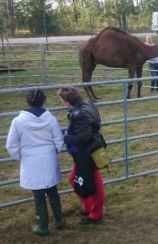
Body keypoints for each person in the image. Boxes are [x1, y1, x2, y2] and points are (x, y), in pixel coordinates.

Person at [6, 89, 64, 236]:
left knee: (38, 194)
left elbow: (11, 145)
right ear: (43, 101)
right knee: (52, 190)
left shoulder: (18, 121)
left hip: (30, 160)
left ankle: (43, 226)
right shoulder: (50, 119)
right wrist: (56, 151)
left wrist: (21, 157)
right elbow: (58, 138)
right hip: (48, 158)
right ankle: (59, 221)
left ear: (28, 101)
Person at [57, 85, 105, 225]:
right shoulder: (86, 103)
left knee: (93, 183)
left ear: (66, 101)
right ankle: (89, 206)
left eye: (61, 99)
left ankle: (96, 214)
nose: (61, 101)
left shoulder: (80, 113)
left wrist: (64, 138)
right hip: (87, 150)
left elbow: (83, 137)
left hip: (86, 152)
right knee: (74, 179)